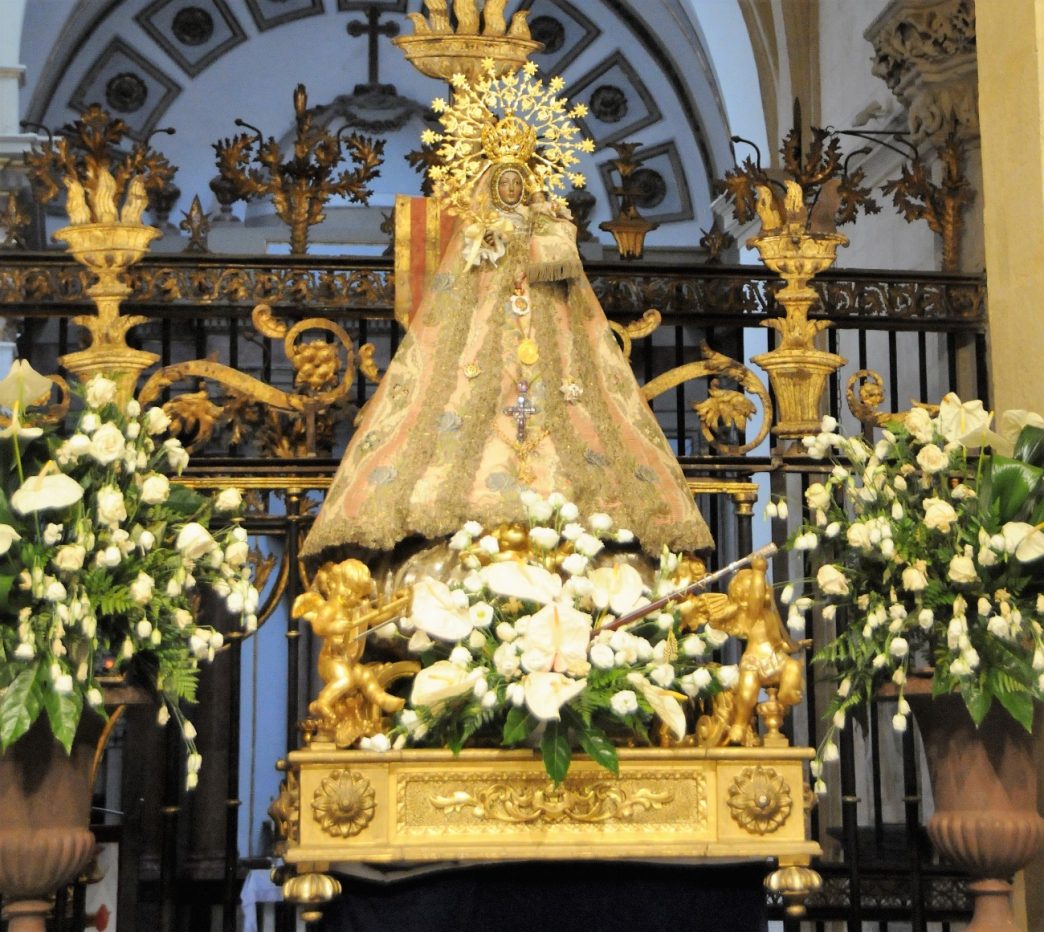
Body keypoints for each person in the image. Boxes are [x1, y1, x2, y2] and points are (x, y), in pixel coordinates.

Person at [302, 76, 713, 564]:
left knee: (572, 401)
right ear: (493, 185)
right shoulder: (479, 226)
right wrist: (491, 242)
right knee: (463, 396)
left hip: (544, 320)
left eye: (519, 182)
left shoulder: (546, 221)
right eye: (505, 183)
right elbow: (464, 271)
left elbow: (561, 261)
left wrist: (545, 232)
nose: (513, 189)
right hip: (487, 321)